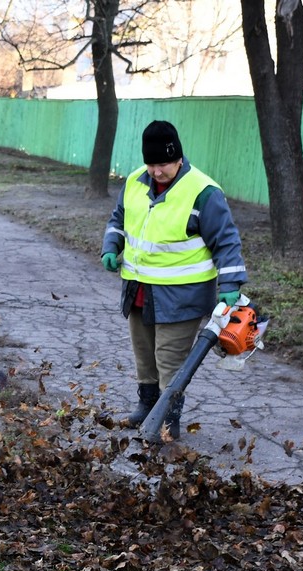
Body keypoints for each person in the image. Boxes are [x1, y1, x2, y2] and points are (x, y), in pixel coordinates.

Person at [101, 120, 247, 439]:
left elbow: (226, 240)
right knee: (145, 355)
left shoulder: (203, 192)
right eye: (151, 164)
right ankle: (147, 406)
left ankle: (167, 422)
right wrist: (111, 246)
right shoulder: (135, 182)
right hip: (139, 289)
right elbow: (118, 219)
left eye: (163, 164)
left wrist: (231, 285)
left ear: (178, 158)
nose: (156, 171)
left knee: (169, 360)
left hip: (182, 295)